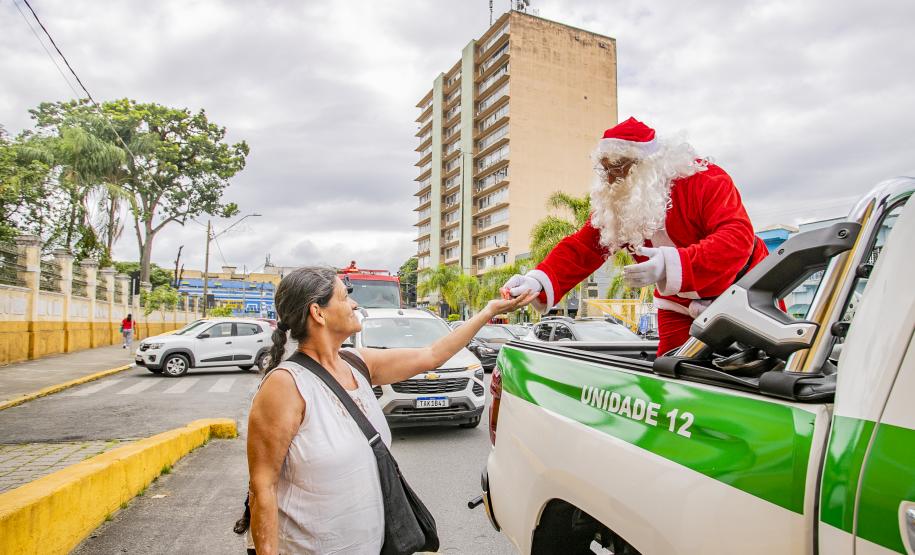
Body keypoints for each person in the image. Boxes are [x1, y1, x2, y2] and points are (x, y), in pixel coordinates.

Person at [246, 266, 535, 554]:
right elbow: (263, 487)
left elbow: (431, 355)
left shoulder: (357, 363)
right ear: (318, 313)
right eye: (345, 297)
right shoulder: (286, 386)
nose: (355, 304)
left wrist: (488, 311)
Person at [502, 117, 768, 354]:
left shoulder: (705, 179)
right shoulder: (618, 204)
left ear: (647, 165)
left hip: (743, 286)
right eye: (605, 168)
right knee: (674, 372)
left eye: (618, 168)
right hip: (678, 305)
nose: (610, 178)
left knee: (771, 366)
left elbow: (737, 238)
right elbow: (584, 247)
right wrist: (537, 280)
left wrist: (671, 264)